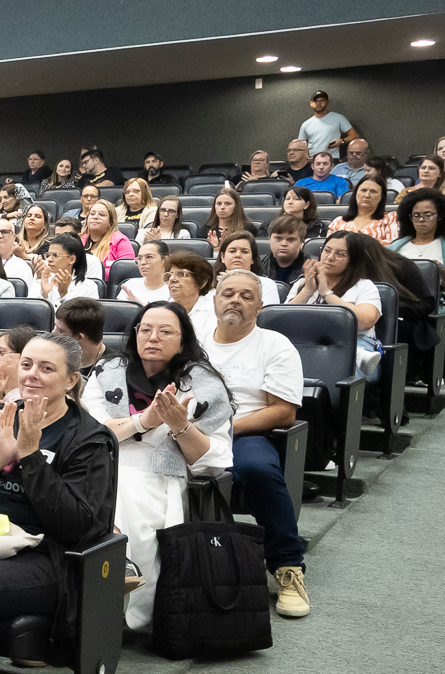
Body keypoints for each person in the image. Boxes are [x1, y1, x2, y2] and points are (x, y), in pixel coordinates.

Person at [81, 301, 233, 631]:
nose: (153, 337)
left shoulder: (203, 384)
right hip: (101, 458)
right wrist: (143, 421)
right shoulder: (109, 370)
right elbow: (93, 431)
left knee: (122, 492)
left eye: (165, 331)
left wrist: (181, 426)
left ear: (183, 339)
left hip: (162, 470)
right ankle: (105, 576)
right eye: (146, 329)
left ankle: (115, 585)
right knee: (98, 485)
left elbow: (213, 459)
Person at [0, 330, 116, 629]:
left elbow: (75, 525)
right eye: (26, 365)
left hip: (40, 554)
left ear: (71, 380)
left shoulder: (88, 439)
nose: (31, 375)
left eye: (46, 368)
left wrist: (30, 455)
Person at [202, 271, 310, 620]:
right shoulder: (194, 342)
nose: (235, 300)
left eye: (246, 296)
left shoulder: (275, 345)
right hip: (189, 430)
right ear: (214, 301)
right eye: (228, 293)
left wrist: (225, 427)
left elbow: (283, 412)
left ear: (260, 306)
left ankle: (287, 566)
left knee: (258, 470)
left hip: (245, 433)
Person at [285, 230, 409, 382]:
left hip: (353, 347)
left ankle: (359, 357)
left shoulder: (364, 286)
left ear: (353, 259)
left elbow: (365, 321)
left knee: (331, 370)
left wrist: (326, 293)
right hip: (305, 347)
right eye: (327, 250)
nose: (330, 257)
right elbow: (283, 321)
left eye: (340, 254)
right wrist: (307, 291)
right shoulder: (302, 284)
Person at [329, 175, 399, 245]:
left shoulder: (390, 219)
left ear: (382, 196)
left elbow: (394, 246)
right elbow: (328, 247)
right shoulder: (338, 222)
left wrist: (366, 240)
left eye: (373, 191)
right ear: (355, 193)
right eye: (363, 190)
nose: (367, 195)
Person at [166, 252, 218, 340]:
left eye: (181, 274)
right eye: (170, 275)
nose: (172, 279)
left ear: (202, 282)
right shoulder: (163, 309)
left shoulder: (214, 311)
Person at [36, 234, 99, 307]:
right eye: (48, 255)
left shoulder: (88, 287)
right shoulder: (44, 279)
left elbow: (85, 314)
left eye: (55, 255)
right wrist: (44, 295)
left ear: (72, 259)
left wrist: (64, 295)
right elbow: (29, 309)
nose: (49, 259)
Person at [391, 187, 443, 263]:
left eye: (427, 215)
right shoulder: (394, 248)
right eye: (416, 215)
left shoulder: (441, 246)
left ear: (440, 216)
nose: (421, 219)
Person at [83, 201, 135, 277]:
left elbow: (126, 271)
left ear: (111, 221)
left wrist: (92, 271)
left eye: (102, 214)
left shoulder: (120, 241)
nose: (95, 217)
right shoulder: (78, 239)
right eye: (92, 214)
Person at [298, 89, 355, 158]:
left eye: (322, 101)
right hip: (313, 160)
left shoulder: (338, 118)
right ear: (311, 104)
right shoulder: (306, 124)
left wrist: (342, 141)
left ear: (327, 102)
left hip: (333, 159)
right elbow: (300, 145)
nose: (318, 103)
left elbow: (354, 135)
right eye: (316, 101)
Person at [118, 239, 173, 306]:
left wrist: (140, 305)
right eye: (140, 258)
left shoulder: (174, 288)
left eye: (149, 257)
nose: (143, 262)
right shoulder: (130, 285)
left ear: (165, 260)